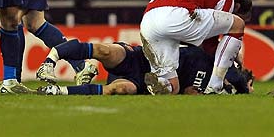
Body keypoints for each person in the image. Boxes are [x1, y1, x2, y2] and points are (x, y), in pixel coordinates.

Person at [35, 0, 254, 96]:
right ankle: (51, 61)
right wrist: (236, 64)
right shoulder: (225, 0)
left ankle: (59, 89)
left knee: (167, 87)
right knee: (236, 26)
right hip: (170, 21)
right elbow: (216, 44)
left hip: (150, 20)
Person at [138, 0, 252, 95]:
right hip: (175, 13)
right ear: (237, 7)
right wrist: (232, 57)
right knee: (238, 24)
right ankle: (215, 86)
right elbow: (210, 46)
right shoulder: (227, 0)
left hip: (148, 21)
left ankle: (162, 84)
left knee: (173, 85)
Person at [36, 42, 253, 96]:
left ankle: (58, 91)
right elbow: (237, 78)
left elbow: (189, 92)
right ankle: (50, 61)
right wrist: (245, 87)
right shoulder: (213, 56)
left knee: (120, 90)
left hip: (142, 81)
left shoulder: (210, 88)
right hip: (140, 57)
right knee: (104, 51)